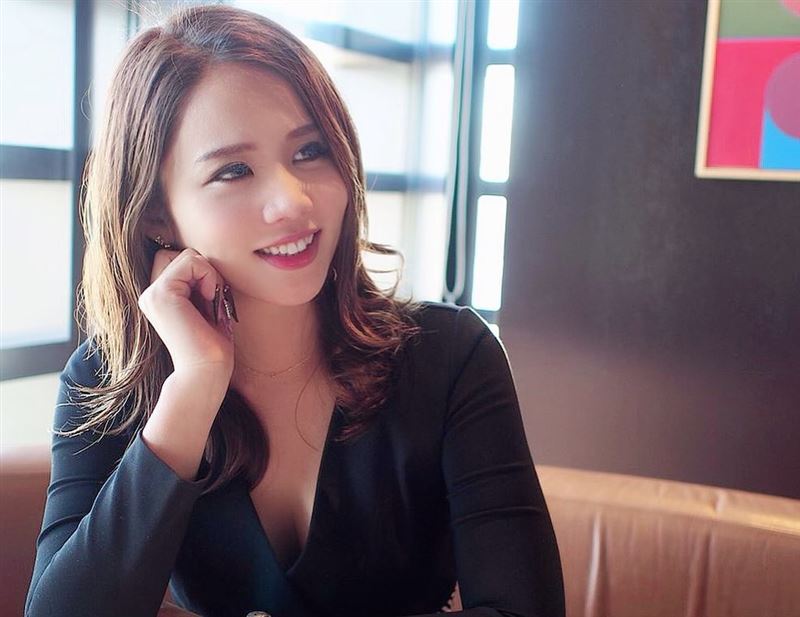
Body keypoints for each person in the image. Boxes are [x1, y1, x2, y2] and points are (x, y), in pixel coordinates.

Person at [24, 5, 564, 617]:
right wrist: (193, 390)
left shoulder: (450, 356)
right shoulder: (106, 381)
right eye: (234, 170)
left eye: (310, 151)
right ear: (156, 215)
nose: (293, 200)